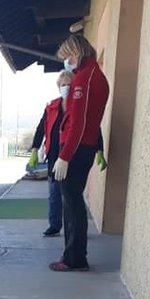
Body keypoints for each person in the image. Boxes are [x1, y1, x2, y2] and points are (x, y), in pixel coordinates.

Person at [50, 34, 109, 272]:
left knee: (72, 202)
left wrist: (65, 155)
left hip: (77, 148)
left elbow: (80, 122)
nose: (67, 62)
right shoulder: (91, 75)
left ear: (77, 52)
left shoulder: (85, 78)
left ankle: (74, 258)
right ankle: (73, 255)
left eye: (68, 57)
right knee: (72, 201)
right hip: (81, 146)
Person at [28, 71, 107, 237]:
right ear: (59, 87)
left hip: (74, 155)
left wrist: (100, 149)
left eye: (69, 84)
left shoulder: (81, 105)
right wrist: (35, 149)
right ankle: (54, 225)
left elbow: (93, 128)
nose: (66, 87)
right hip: (55, 155)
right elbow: (41, 128)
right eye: (63, 85)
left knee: (72, 196)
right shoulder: (52, 106)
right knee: (55, 194)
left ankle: (75, 230)